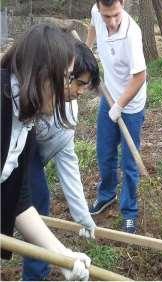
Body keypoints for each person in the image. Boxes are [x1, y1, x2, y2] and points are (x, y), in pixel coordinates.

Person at [1, 23, 91, 281]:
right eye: (65, 77)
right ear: (40, 73)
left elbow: (18, 199)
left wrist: (61, 254)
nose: (67, 89)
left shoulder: (26, 120)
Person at [22, 40, 100, 281]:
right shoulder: (25, 94)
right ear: (61, 75)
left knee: (36, 205)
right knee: (35, 203)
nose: (81, 91)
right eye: (79, 83)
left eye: (86, 86)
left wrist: (82, 215)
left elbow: (67, 159)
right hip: (19, 152)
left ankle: (36, 273)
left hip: (30, 157)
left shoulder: (69, 111)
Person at [86, 0, 147, 234]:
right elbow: (93, 24)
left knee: (129, 162)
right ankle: (107, 194)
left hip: (130, 104)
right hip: (109, 95)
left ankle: (129, 211)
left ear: (123, 4)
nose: (111, 21)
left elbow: (140, 76)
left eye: (116, 15)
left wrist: (120, 105)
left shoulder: (132, 33)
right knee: (104, 152)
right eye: (106, 16)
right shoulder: (96, 12)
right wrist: (87, 48)